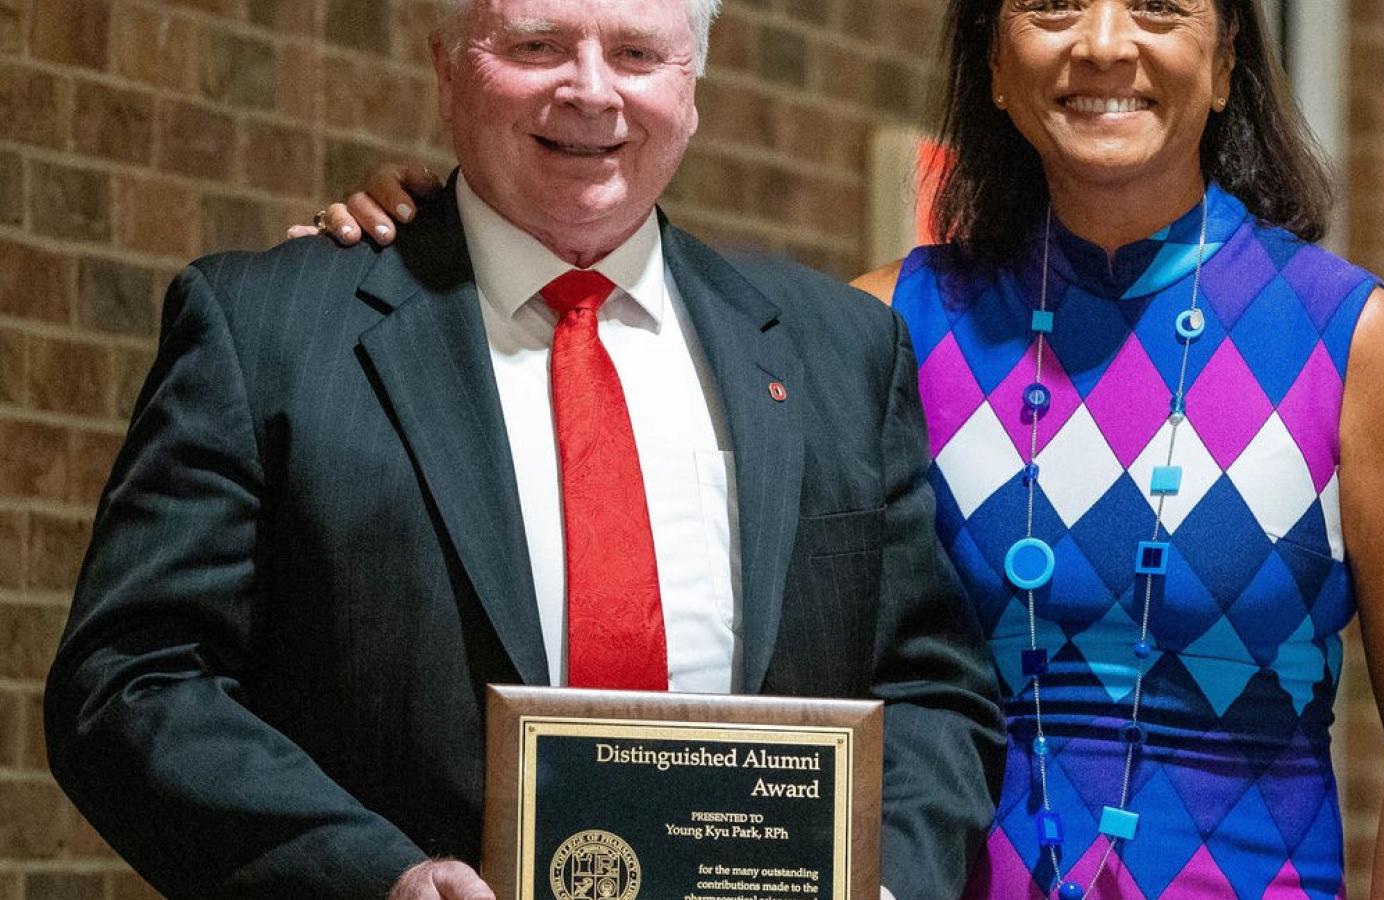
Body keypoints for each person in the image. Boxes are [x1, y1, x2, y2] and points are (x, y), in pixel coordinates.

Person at [322, 0, 1384, 898]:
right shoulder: (881, 332)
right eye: (1047, 6)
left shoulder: (1350, 346)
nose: (1100, 45)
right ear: (991, 62)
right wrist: (445, 242)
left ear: (1228, 58)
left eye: (1157, 6)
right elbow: (645, 325)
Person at [42, 1, 1007, 898]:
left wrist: (880, 883)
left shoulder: (839, 349)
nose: (591, 90)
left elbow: (929, 690)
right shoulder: (268, 332)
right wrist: (375, 877)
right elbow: (133, 683)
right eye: (537, 45)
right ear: (447, 68)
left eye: (637, 53)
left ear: (692, 85)